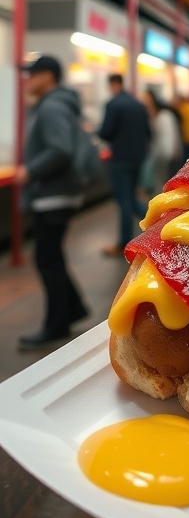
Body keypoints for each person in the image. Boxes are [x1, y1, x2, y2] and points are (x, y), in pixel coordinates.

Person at [14, 55, 90, 349]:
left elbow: (60, 149)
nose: (28, 80)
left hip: (53, 195)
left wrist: (30, 170)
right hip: (58, 193)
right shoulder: (58, 104)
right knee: (51, 256)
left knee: (47, 258)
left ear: (48, 76)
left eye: (33, 74)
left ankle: (56, 325)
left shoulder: (51, 107)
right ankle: (73, 309)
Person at [98, 73, 151, 258]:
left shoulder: (113, 105)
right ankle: (153, 219)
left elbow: (105, 132)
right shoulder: (138, 105)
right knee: (129, 196)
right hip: (138, 157)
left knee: (124, 200)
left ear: (113, 84)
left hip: (120, 158)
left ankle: (124, 241)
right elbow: (148, 132)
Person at [142, 87, 183, 193]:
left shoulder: (164, 116)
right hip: (160, 154)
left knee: (164, 182)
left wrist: (169, 155)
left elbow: (170, 138)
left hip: (166, 155)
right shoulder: (155, 117)